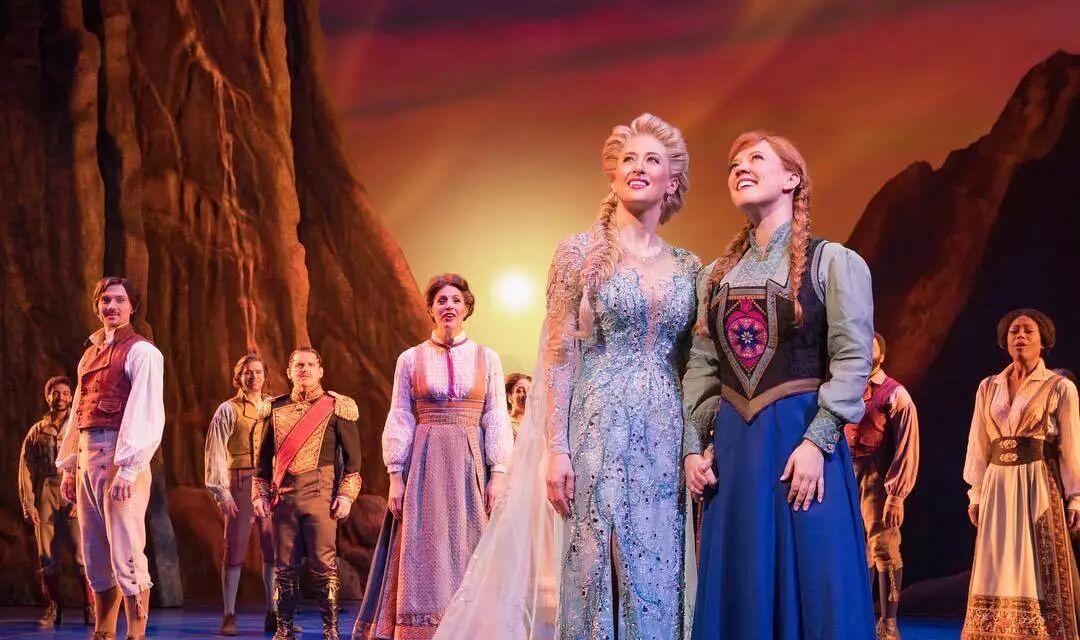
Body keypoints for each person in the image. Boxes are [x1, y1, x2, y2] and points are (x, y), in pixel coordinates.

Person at [433, 113, 700, 639]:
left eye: (652, 159)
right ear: (612, 177)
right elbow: (558, 354)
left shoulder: (690, 267)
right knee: (596, 565)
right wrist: (557, 448)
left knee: (659, 569)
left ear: (672, 181)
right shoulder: (577, 252)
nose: (638, 167)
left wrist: (694, 445)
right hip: (596, 428)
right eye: (628, 158)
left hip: (664, 434)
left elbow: (693, 366)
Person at [683, 131, 876, 639]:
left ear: (792, 179)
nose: (740, 168)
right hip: (736, 452)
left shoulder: (832, 262)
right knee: (740, 577)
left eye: (756, 158)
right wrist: (694, 447)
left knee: (815, 575)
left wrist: (817, 442)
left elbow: (852, 358)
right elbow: (703, 367)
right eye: (734, 164)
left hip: (802, 443)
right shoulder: (714, 276)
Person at [353, 274, 512, 640]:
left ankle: (471, 626)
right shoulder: (410, 358)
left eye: (456, 300)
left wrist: (499, 472)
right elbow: (400, 415)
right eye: (441, 300)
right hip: (425, 463)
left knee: (470, 540)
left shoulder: (487, 357)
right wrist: (395, 475)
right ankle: (422, 630)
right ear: (430, 309)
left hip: (470, 464)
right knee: (424, 545)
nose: (449, 306)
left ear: (467, 308)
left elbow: (496, 416)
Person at [54, 276, 166, 640]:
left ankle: (136, 633)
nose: (111, 306)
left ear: (132, 307)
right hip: (88, 456)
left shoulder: (142, 352)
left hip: (118, 457)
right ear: (97, 306)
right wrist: (69, 467)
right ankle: (103, 631)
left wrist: (128, 469)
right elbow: (78, 411)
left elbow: (146, 412)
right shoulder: (90, 353)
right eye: (105, 300)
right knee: (96, 552)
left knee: (127, 550)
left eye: (119, 300)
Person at [961, 309, 1080, 639]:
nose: (1021, 336)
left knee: (1034, 562)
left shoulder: (1059, 387)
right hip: (998, 483)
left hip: (1037, 481)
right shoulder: (989, 386)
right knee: (997, 561)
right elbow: (979, 443)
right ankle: (995, 631)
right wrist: (976, 493)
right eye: (1014, 331)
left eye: (1029, 331)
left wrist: (1076, 497)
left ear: (1043, 341)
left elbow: (1071, 446)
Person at [253, 347, 362, 640]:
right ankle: (284, 629)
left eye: (311, 365)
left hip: (322, 498)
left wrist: (346, 496)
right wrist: (260, 495)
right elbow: (262, 463)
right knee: (284, 569)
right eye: (299, 365)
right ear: (289, 372)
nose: (305, 370)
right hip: (283, 501)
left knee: (324, 566)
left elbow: (353, 461)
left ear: (320, 371)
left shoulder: (337, 407)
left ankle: (331, 630)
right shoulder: (274, 409)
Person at [843, 332, 920, 640]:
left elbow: (907, 446)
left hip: (877, 476)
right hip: (846, 473)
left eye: (871, 346)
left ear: (882, 356)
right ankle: (857, 616)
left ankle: (888, 623)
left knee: (883, 547)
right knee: (853, 548)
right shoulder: (845, 388)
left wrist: (896, 495)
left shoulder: (895, 394)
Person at [205, 354, 278, 635]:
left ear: (264, 375)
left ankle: (274, 612)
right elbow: (215, 450)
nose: (253, 376)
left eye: (258, 372)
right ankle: (229, 614)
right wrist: (221, 492)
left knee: (273, 546)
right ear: (238, 377)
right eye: (248, 372)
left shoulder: (273, 406)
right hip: (241, 481)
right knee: (234, 546)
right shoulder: (228, 409)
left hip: (269, 481)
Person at [19, 375, 92, 627]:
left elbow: (86, 463)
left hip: (72, 489)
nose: (60, 397)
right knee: (47, 555)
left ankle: (91, 607)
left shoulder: (79, 427)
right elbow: (26, 469)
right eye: (55, 392)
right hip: (47, 491)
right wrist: (29, 504)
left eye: (65, 393)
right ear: (47, 396)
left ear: (71, 397)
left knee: (82, 553)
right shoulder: (38, 430)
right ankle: (54, 607)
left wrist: (81, 500)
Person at [505, 373, 532, 440]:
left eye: (529, 390)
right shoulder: (505, 424)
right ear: (509, 397)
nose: (526, 395)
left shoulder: (537, 424)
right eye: (520, 391)